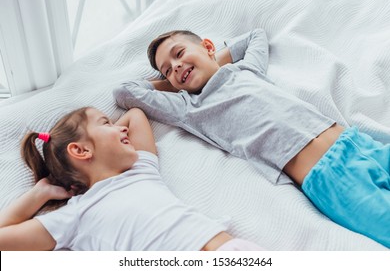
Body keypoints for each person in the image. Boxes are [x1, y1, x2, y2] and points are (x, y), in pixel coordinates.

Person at [113, 29, 390, 248]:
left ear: (208, 47)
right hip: (330, 179)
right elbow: (125, 91)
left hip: (357, 143)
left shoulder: (247, 70)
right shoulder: (191, 108)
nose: (175, 66)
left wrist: (210, 61)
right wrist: (173, 81)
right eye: (166, 69)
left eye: (179, 53)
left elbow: (255, 36)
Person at [0, 107, 263, 251]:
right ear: (80, 150)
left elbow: (135, 114)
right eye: (106, 123)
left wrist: (107, 135)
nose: (121, 126)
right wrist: (39, 194)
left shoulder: (140, 169)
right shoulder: (74, 216)